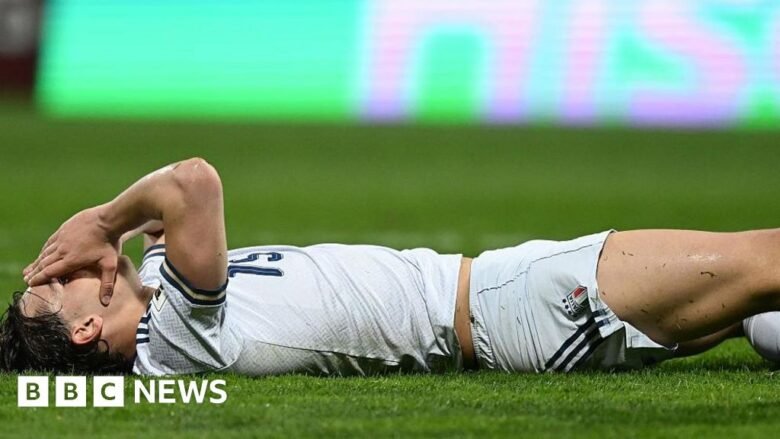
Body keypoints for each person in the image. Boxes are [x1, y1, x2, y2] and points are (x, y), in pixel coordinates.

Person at [3, 158, 780, 375]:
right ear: (87, 329)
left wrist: (116, 234)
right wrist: (100, 221)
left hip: (514, 294)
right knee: (764, 257)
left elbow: (161, 213)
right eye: (57, 283)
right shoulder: (174, 343)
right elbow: (191, 184)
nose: (65, 264)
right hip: (527, 308)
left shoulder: (162, 293)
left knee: (753, 307)